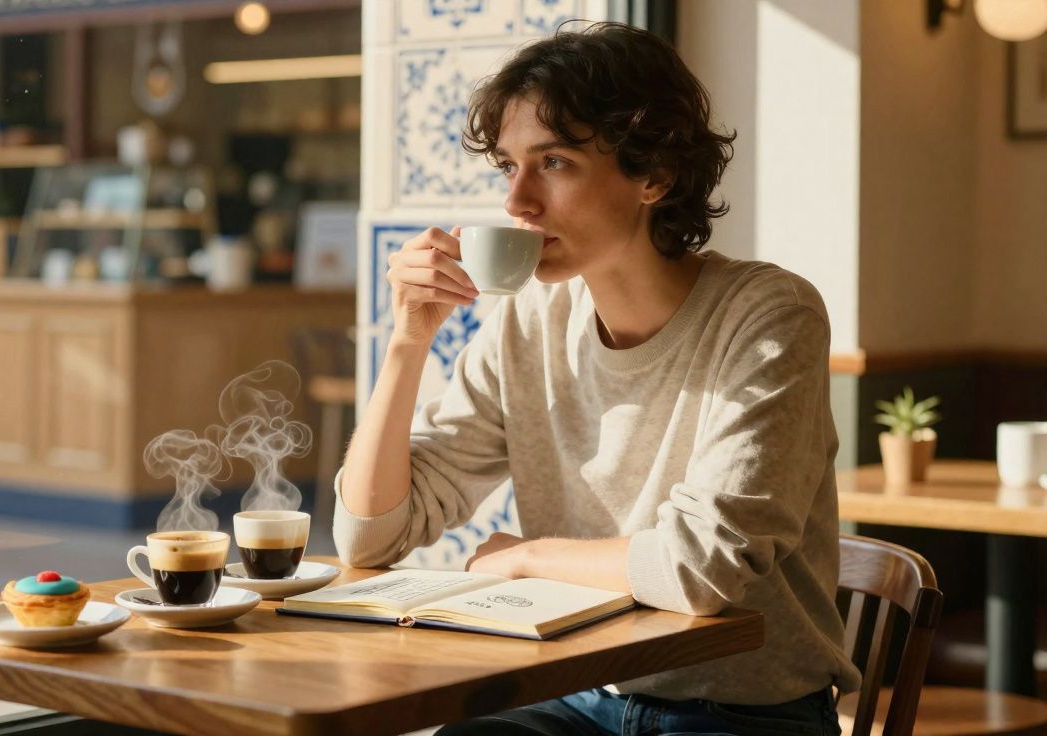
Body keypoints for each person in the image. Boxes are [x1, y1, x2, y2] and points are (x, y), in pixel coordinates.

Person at [332, 21, 859, 736]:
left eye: (552, 163)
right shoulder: (530, 322)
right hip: (581, 692)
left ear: (655, 175)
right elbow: (370, 540)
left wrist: (526, 558)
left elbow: (702, 569)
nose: (517, 201)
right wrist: (406, 341)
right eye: (509, 167)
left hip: (740, 711)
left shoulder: (770, 315)